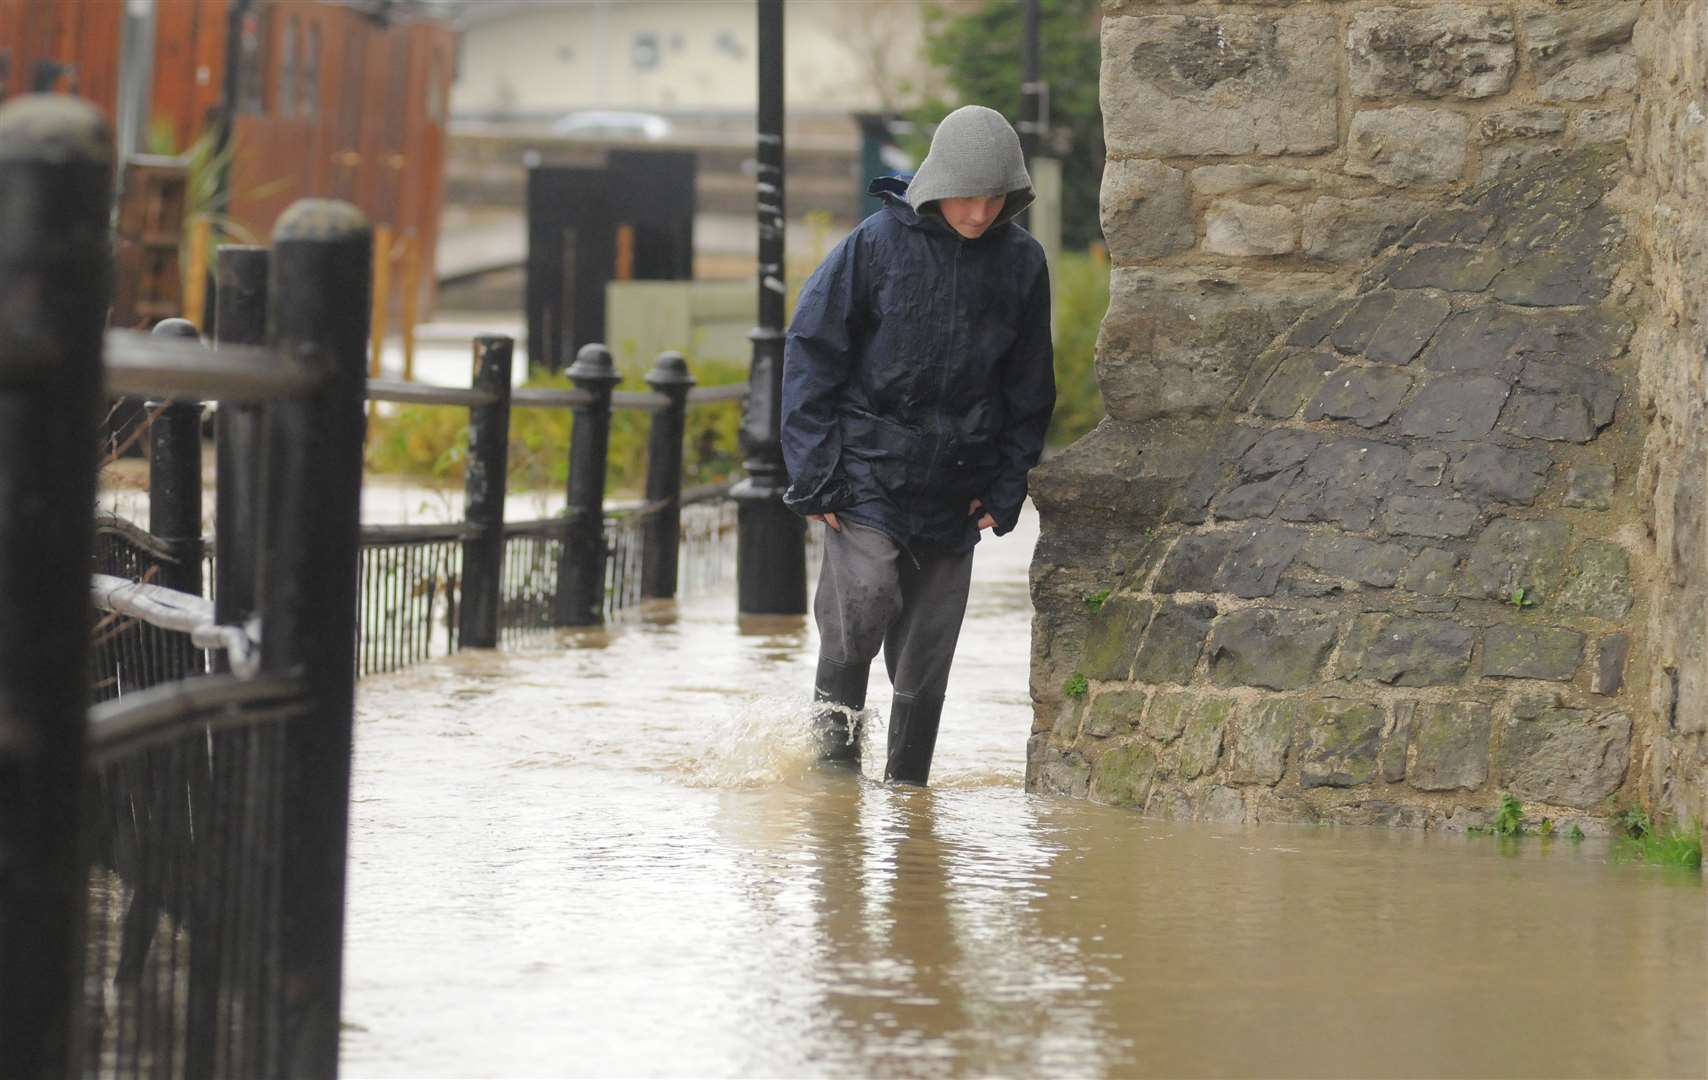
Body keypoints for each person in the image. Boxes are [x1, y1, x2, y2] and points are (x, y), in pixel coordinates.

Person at [781, 104, 1055, 786]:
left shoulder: (1023, 263)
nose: (978, 213)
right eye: (967, 196)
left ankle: (908, 797)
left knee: (929, 650)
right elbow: (811, 354)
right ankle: (833, 785)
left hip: (958, 487)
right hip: (865, 476)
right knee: (862, 601)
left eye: (995, 198)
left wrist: (1008, 485)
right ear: (938, 184)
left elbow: (1030, 386)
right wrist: (816, 477)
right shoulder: (873, 247)